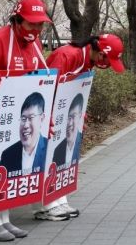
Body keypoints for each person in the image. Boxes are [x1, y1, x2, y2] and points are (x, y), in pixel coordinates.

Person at [0, 0, 51, 242]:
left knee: (9, 168)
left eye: (40, 24)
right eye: (32, 24)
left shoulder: (36, 44)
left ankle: (4, 218)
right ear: (17, 20)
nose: (36, 29)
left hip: (19, 122)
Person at [34, 32, 125, 221]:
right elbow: (47, 86)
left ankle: (59, 198)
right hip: (50, 115)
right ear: (100, 53)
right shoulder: (66, 55)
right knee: (48, 156)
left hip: (66, 117)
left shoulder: (87, 61)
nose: (106, 65)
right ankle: (46, 204)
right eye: (107, 60)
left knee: (61, 157)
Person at [0, 92, 49, 174]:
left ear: (42, 118)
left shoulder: (50, 149)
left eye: (31, 118)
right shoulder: (7, 155)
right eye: (23, 118)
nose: (25, 125)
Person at [53, 94, 84, 166]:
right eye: (69, 117)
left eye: (73, 116)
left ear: (80, 116)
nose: (69, 123)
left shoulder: (79, 139)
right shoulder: (57, 150)